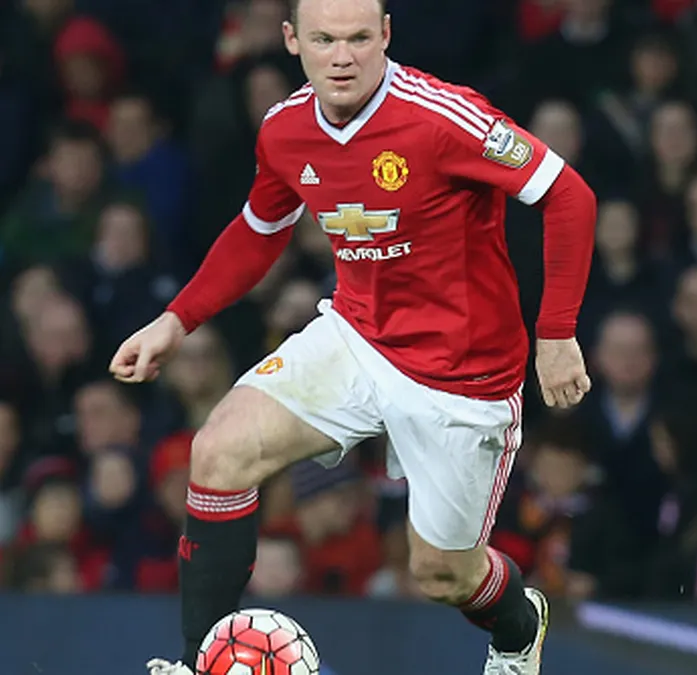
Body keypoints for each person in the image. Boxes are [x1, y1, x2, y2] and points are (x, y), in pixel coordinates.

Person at [108, 1, 597, 673]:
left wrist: (557, 333)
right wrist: (176, 319)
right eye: (325, 39)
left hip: (462, 376)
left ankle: (518, 625)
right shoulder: (285, 128)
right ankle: (197, 663)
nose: (342, 57)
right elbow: (259, 229)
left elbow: (568, 194)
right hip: (357, 335)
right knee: (218, 452)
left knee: (443, 575)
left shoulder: (442, 117)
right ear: (292, 40)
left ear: (386, 35)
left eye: (359, 38)